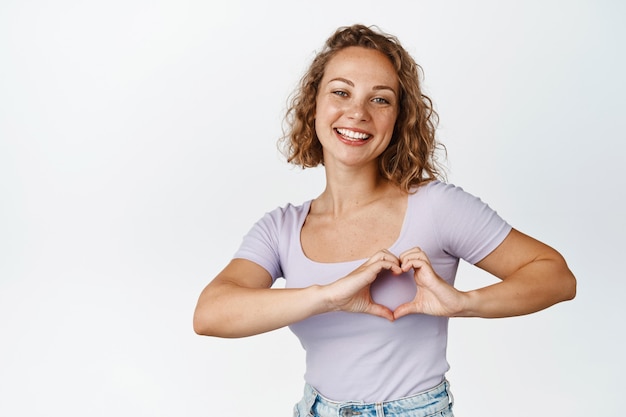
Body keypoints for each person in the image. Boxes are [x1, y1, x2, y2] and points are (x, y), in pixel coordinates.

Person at [193, 24, 576, 417]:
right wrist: (329, 295)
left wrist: (464, 303)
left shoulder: (436, 207)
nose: (357, 112)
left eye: (380, 99)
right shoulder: (281, 229)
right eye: (341, 92)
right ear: (314, 106)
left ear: (399, 118)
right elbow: (210, 314)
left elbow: (555, 276)